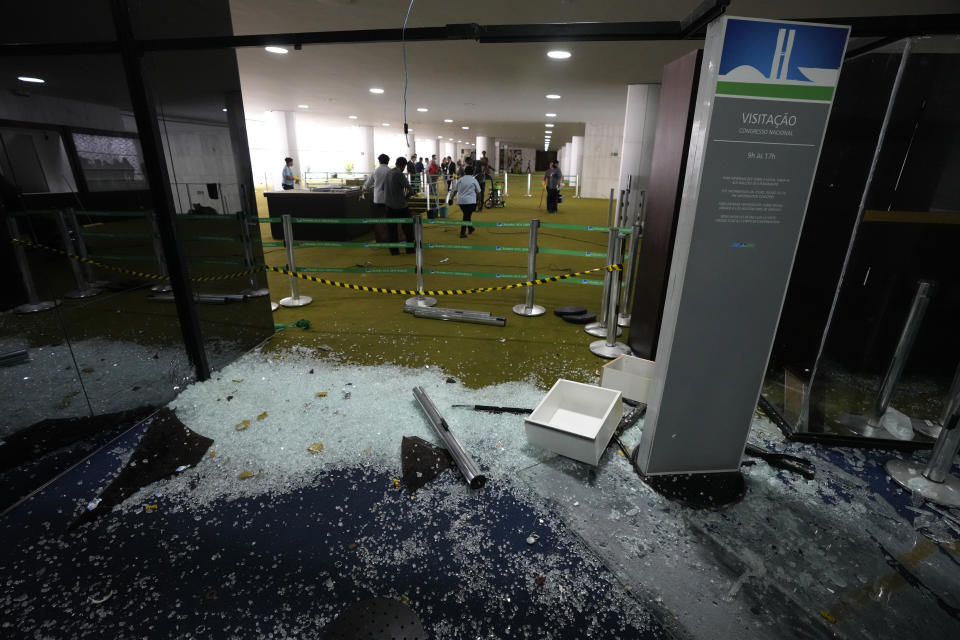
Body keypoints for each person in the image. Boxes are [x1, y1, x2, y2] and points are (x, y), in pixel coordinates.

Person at [384, 157, 416, 255]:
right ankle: (410, 249)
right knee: (408, 229)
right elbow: (409, 188)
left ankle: (394, 251)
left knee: (392, 230)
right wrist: (408, 196)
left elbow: (382, 188)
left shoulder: (388, 173)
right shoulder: (399, 174)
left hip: (389, 206)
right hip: (401, 206)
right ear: (404, 166)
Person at [363, 153, 392, 245]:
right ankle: (390, 237)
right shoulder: (390, 171)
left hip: (378, 199)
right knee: (389, 218)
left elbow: (367, 184)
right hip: (389, 199)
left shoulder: (376, 171)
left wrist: (363, 188)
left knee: (379, 219)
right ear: (388, 161)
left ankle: (380, 238)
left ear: (379, 161)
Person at [449, 165, 481, 238]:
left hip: (461, 202)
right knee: (466, 216)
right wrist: (479, 202)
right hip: (471, 202)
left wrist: (451, 199)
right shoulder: (474, 180)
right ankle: (462, 233)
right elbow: (479, 192)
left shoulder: (460, 179)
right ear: (472, 172)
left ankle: (470, 228)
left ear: (465, 172)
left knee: (467, 216)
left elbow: (455, 191)